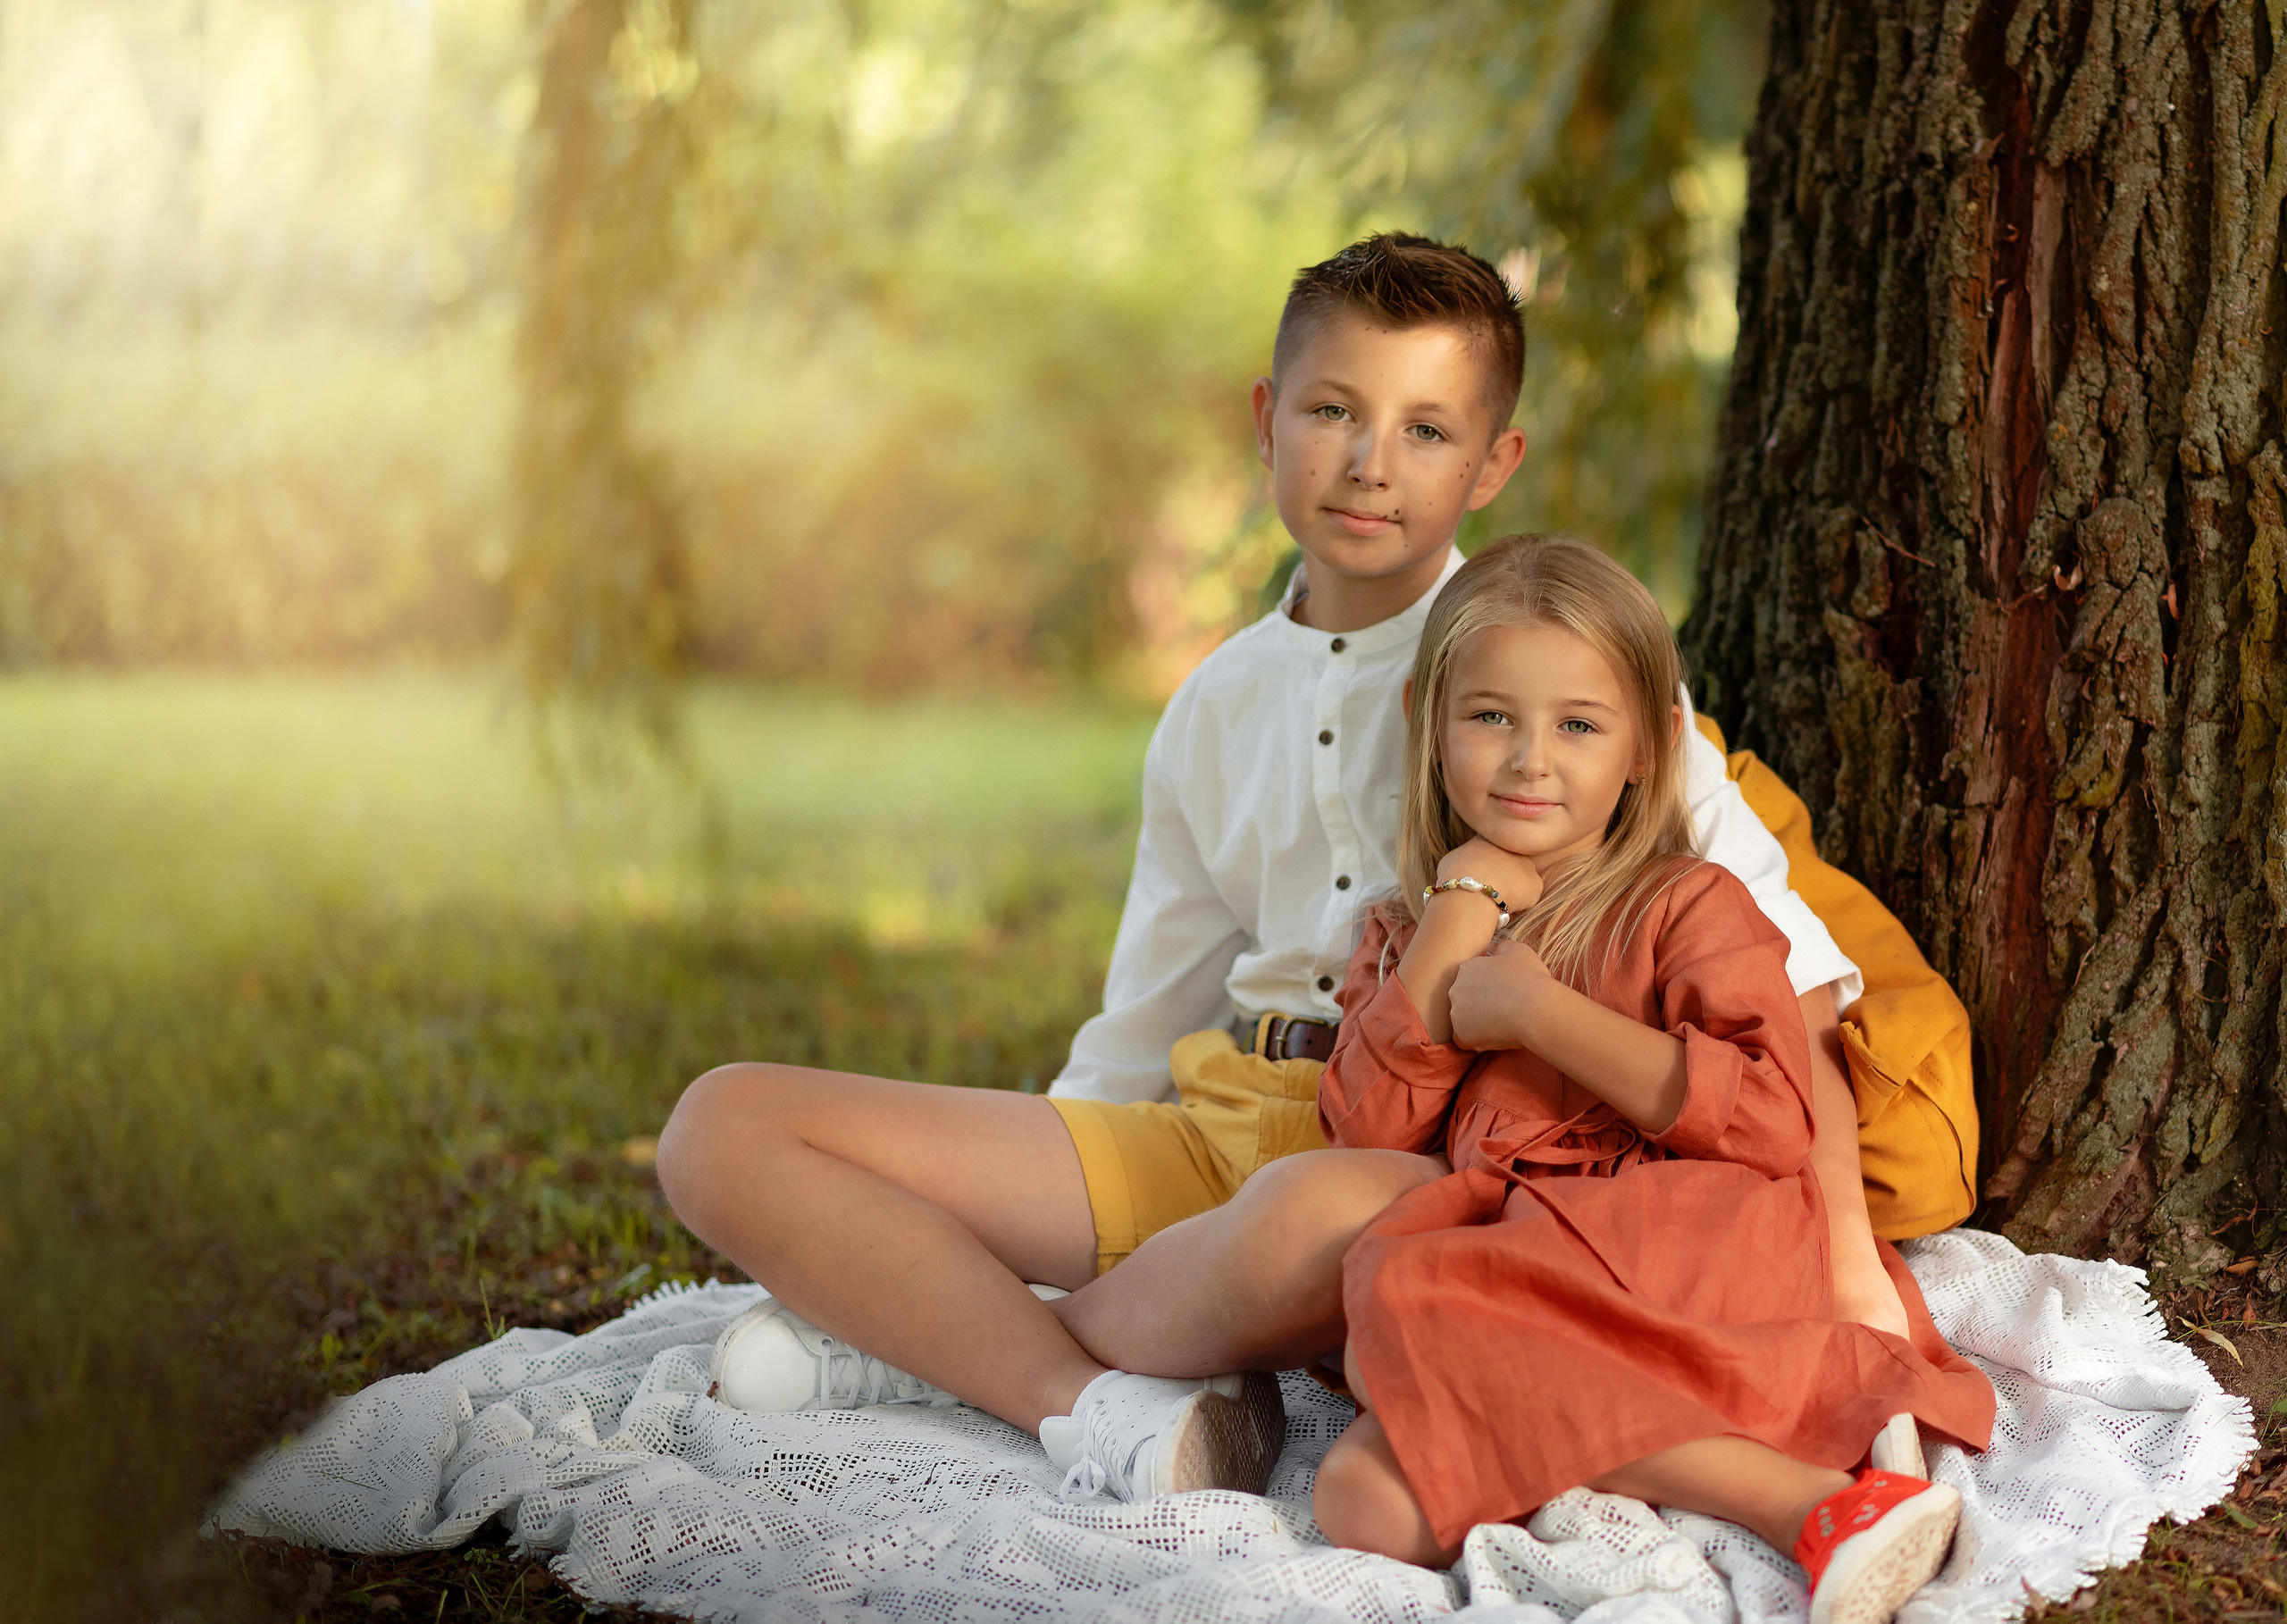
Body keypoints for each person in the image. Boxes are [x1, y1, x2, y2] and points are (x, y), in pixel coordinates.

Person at [654, 233, 1973, 1503]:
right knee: (728, 1125)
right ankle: (1069, 1379)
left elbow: (1794, 982)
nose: (1370, 465)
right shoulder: (1213, 706)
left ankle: (951, 1359)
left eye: (1427, 429)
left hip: (1413, 1164)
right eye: (1333, 411)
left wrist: (1850, 1275)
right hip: (1225, 1114)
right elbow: (1145, 1016)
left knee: (1305, 1209)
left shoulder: (1559, 677)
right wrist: (1019, 1204)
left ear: (1495, 460)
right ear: (1267, 418)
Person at [1260, 533, 1994, 1616]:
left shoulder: (1687, 903)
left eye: (1578, 726)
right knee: (1362, 1498)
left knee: (1398, 1293)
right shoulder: (1409, 928)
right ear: (1430, 725)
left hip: (1686, 1236)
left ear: (1646, 750)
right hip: (1543, 1269)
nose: (1528, 761)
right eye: (1491, 717)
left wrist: (1542, 1014)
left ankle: (1795, 1504)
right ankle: (1628, 1433)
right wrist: (1458, 915)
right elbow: (1366, 1131)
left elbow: (1767, 1119)